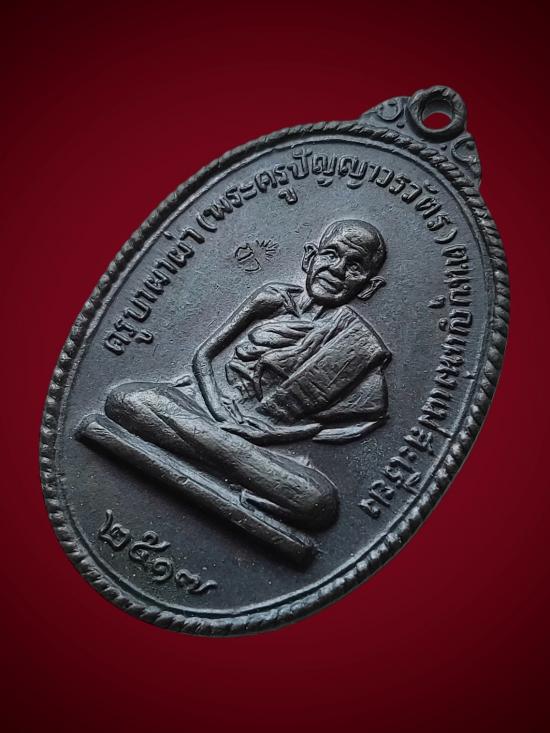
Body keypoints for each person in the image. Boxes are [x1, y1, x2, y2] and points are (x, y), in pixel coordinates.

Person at [102, 219, 391, 532]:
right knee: (128, 399)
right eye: (331, 255)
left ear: (368, 286)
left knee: (319, 502)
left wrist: (266, 435)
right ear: (310, 257)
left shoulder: (354, 343)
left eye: (354, 266)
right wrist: (219, 413)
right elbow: (204, 356)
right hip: (206, 407)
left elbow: (351, 421)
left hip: (260, 443)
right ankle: (234, 476)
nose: (337, 269)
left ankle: (209, 462)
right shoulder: (272, 298)